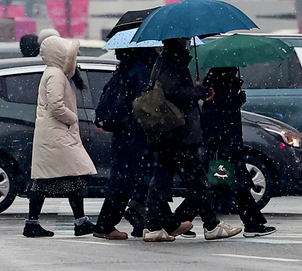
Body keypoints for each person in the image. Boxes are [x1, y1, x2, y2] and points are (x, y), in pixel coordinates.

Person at [142, 38, 242, 242]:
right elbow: (173, 91)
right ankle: (211, 225)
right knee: (196, 179)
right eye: (185, 38)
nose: (187, 41)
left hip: (168, 131)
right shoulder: (174, 59)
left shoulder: (165, 57)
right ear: (179, 39)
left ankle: (152, 226)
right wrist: (200, 92)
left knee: (162, 179)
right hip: (178, 132)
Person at [175, 67, 276, 238]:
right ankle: (252, 223)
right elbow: (221, 119)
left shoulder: (216, 88)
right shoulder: (223, 89)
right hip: (226, 146)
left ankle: (180, 220)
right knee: (236, 184)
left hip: (222, 145)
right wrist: (235, 101)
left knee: (210, 185)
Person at [22, 36, 97, 238]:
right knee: (72, 174)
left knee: (61, 177)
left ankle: (36, 222)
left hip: (54, 134)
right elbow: (56, 105)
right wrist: (72, 118)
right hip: (57, 134)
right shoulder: (55, 74)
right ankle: (76, 222)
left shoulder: (54, 73)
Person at [93, 48, 158, 240]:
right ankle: (107, 225)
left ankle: (141, 222)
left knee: (127, 181)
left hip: (124, 135)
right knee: (131, 181)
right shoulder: (142, 71)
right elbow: (144, 105)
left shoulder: (124, 69)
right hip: (135, 135)